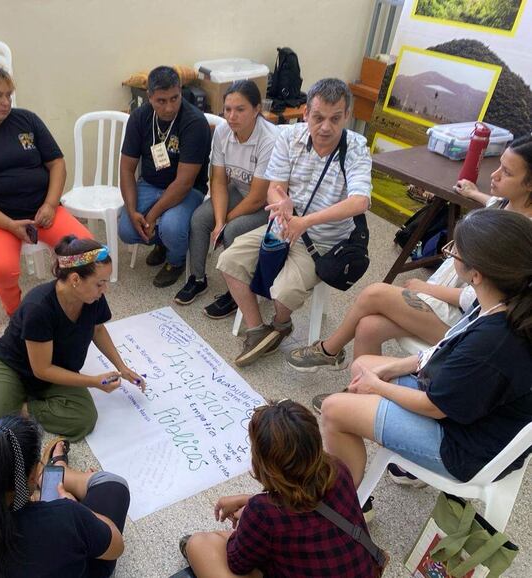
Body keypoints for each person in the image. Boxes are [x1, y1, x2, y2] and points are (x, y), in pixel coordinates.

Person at [295, 135, 532, 412]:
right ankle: (360, 397)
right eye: (499, 165)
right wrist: (473, 193)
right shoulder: (503, 204)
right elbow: (491, 201)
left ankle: (329, 350)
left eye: (506, 171)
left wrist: (425, 288)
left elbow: (476, 300)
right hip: (445, 306)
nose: (494, 174)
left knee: (376, 293)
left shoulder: (522, 237)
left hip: (467, 320)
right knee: (368, 326)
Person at [321, 209, 532, 506]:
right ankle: (355, 470)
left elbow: (434, 407)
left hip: (463, 447)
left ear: (476, 274)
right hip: (467, 412)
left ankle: (346, 506)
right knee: (363, 366)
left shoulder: (493, 342)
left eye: (455, 252)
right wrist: (389, 369)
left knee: (334, 410)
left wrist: (378, 387)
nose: (451, 255)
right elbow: (443, 349)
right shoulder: (505, 299)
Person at [215, 78, 372, 367]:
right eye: (318, 117)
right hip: (282, 225)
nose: (326, 127)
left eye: (336, 119)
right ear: (305, 113)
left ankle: (281, 322)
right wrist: (282, 199)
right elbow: (276, 185)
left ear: (347, 115)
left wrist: (305, 221)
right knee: (229, 260)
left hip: (322, 239)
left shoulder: (357, 147)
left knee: (285, 292)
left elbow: (359, 202)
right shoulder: (289, 137)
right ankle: (257, 328)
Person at [0, 236, 144, 445]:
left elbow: (98, 329)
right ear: (75, 279)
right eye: (100, 283)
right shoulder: (38, 307)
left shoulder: (92, 298)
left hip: (54, 371)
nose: (105, 289)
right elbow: (42, 369)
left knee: (84, 419)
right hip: (14, 368)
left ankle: (21, 408)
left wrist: (122, 367)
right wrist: (94, 381)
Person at [0, 62, 92, 315]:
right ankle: (19, 312)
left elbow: (57, 163)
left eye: (8, 95)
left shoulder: (27, 120)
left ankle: (68, 302)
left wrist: (50, 203)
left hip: (41, 210)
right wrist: (9, 225)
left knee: (87, 252)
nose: (5, 102)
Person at [180, 400, 379, 578]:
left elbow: (237, 563)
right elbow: (308, 506)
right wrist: (251, 501)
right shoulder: (337, 469)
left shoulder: (263, 513)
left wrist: (249, 520)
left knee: (199, 544)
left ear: (263, 463)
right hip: (362, 570)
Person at [0, 415, 129, 577]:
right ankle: (60, 470)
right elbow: (116, 547)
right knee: (113, 485)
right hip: (63, 527)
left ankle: (50, 476)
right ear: (32, 474)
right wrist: (77, 508)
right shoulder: (68, 517)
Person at [174, 80, 279, 318]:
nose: (232, 116)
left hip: (267, 203)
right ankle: (198, 278)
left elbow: (257, 198)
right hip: (238, 190)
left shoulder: (269, 140)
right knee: (200, 219)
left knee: (233, 231)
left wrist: (225, 224)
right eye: (228, 109)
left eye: (240, 109)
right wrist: (219, 219)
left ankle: (236, 294)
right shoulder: (222, 132)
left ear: (256, 109)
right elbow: (219, 181)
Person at [118, 66, 212, 288]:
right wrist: (132, 211)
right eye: (161, 101)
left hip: (188, 189)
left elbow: (184, 182)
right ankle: (162, 243)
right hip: (150, 183)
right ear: (149, 96)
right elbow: (126, 169)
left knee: (171, 227)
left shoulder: (194, 122)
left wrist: (151, 215)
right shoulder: (139, 118)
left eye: (174, 98)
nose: (169, 107)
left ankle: (176, 260)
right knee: (126, 229)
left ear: (180, 91)